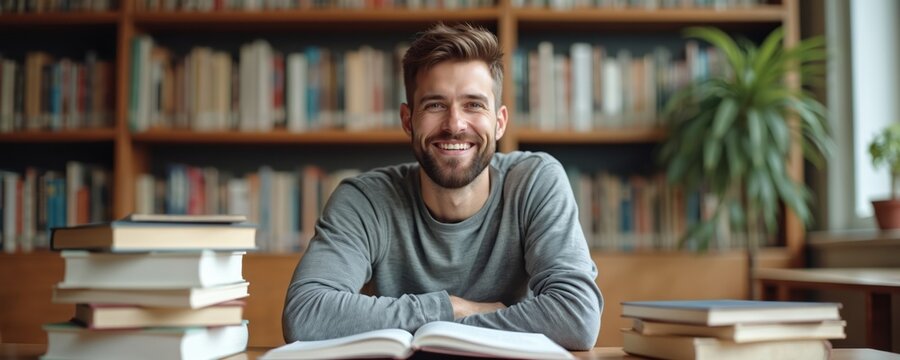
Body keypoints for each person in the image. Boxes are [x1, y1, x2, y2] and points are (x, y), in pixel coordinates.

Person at [282, 22, 602, 350]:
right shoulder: (365, 201)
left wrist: (444, 327)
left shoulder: (535, 181)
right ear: (408, 120)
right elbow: (306, 314)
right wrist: (451, 308)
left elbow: (576, 317)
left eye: (474, 104)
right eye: (435, 104)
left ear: (500, 122)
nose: (454, 124)